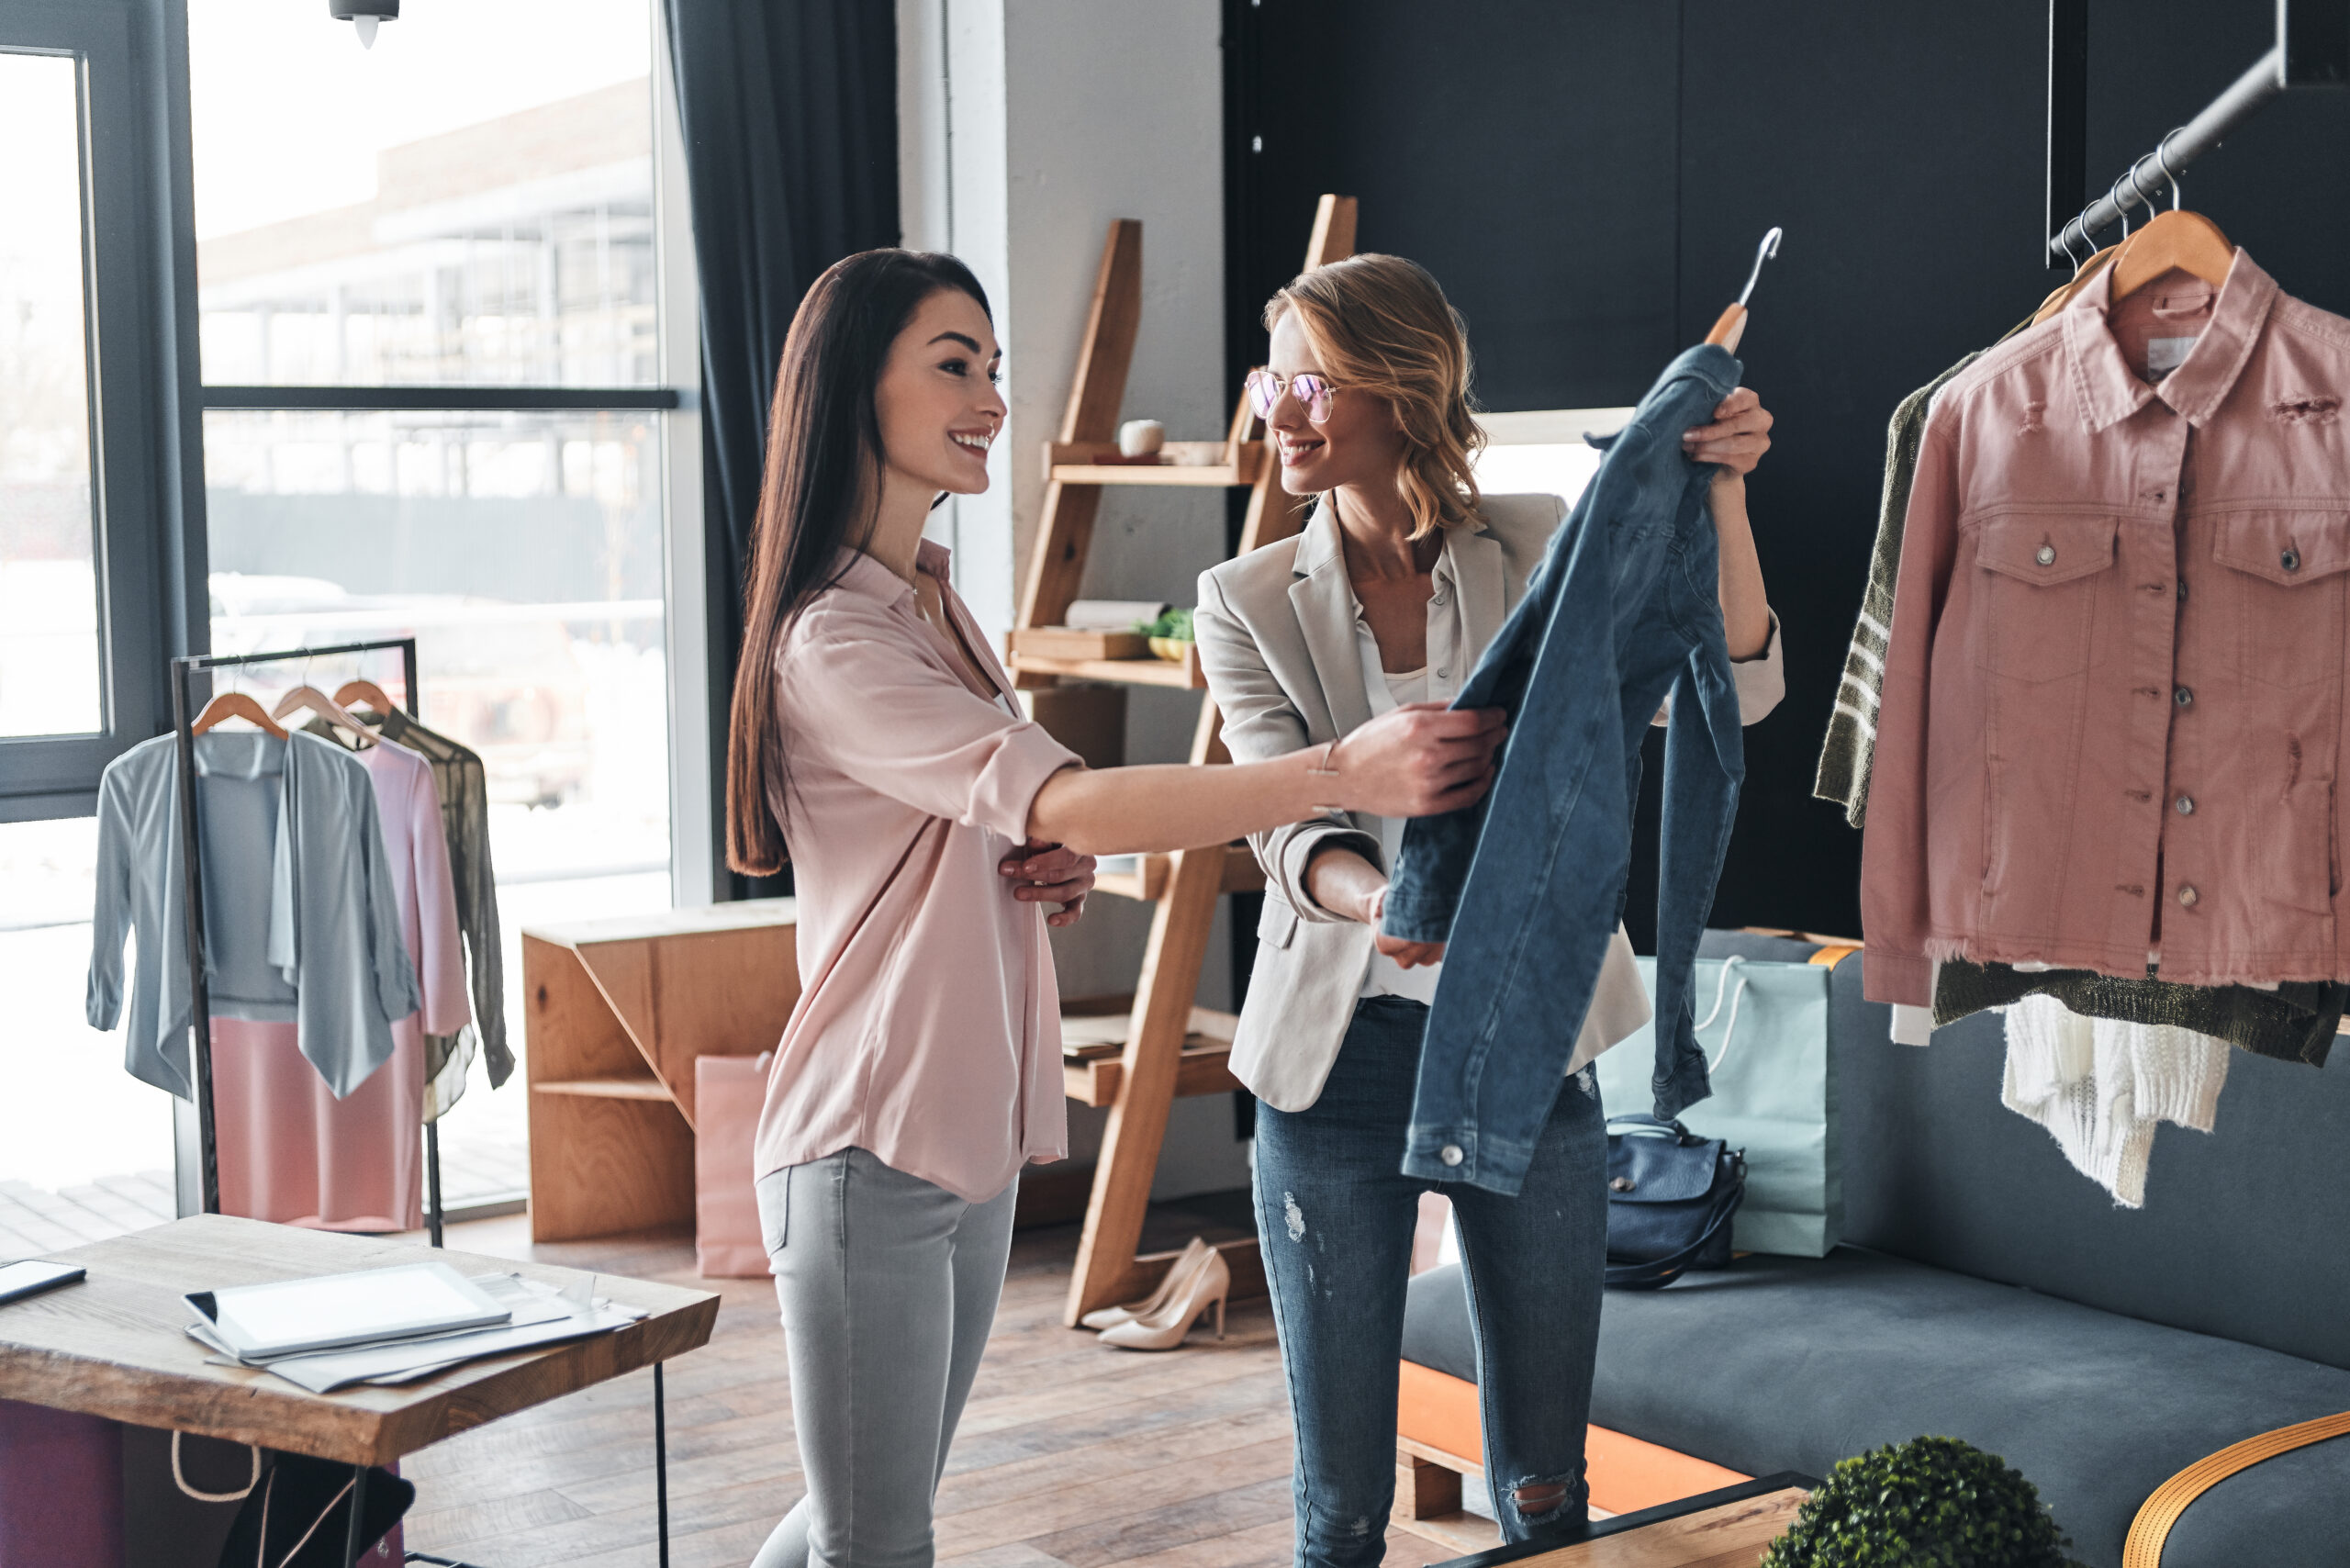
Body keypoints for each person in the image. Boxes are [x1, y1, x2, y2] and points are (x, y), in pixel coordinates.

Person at [726, 248, 1508, 1568]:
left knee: (856, 1515)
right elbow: (1069, 796)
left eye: (993, 367)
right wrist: (1337, 772)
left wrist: (1042, 857)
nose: (992, 398)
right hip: (865, 1139)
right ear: (855, 383)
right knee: (877, 1539)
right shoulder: (835, 637)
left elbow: (1005, 819)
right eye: (955, 365)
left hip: (961, 1133)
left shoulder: (934, 605)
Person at [1192, 252, 1785, 1565]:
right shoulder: (1243, 601)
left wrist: (1722, 492)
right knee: (1342, 1505)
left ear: (1400, 384)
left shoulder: (1537, 543)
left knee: (1547, 1484)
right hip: (1333, 1069)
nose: (1278, 412)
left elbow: (1735, 687)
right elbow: (1283, 818)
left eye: (1309, 381)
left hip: (1532, 1046)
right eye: (1269, 381)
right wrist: (1384, 901)